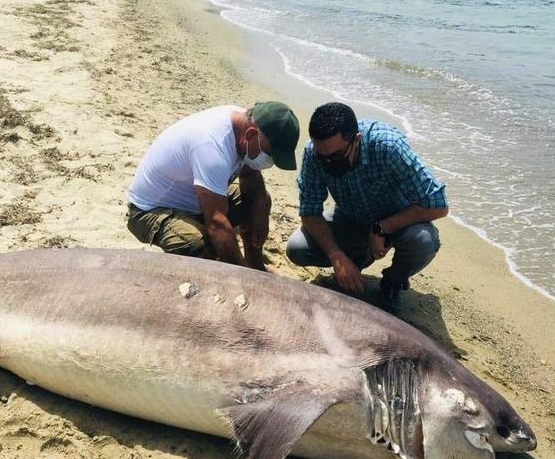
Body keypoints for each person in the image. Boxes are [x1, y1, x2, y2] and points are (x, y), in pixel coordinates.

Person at [286, 102, 448, 309]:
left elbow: (438, 204)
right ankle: (357, 258)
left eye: (335, 156)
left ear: (356, 140)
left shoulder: (388, 147)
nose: (328, 163)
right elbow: (309, 211)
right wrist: (336, 255)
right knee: (297, 248)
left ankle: (393, 281)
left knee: (423, 241)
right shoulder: (313, 153)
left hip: (398, 223)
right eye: (322, 157)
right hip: (351, 218)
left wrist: (382, 227)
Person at [126, 102, 300, 271]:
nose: (270, 161)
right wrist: (240, 274)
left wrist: (260, 210)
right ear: (250, 134)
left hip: (195, 198)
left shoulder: (244, 123)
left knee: (258, 201)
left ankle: (254, 265)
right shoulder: (212, 146)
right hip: (150, 211)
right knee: (201, 247)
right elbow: (217, 223)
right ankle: (242, 272)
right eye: (269, 154)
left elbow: (249, 175)